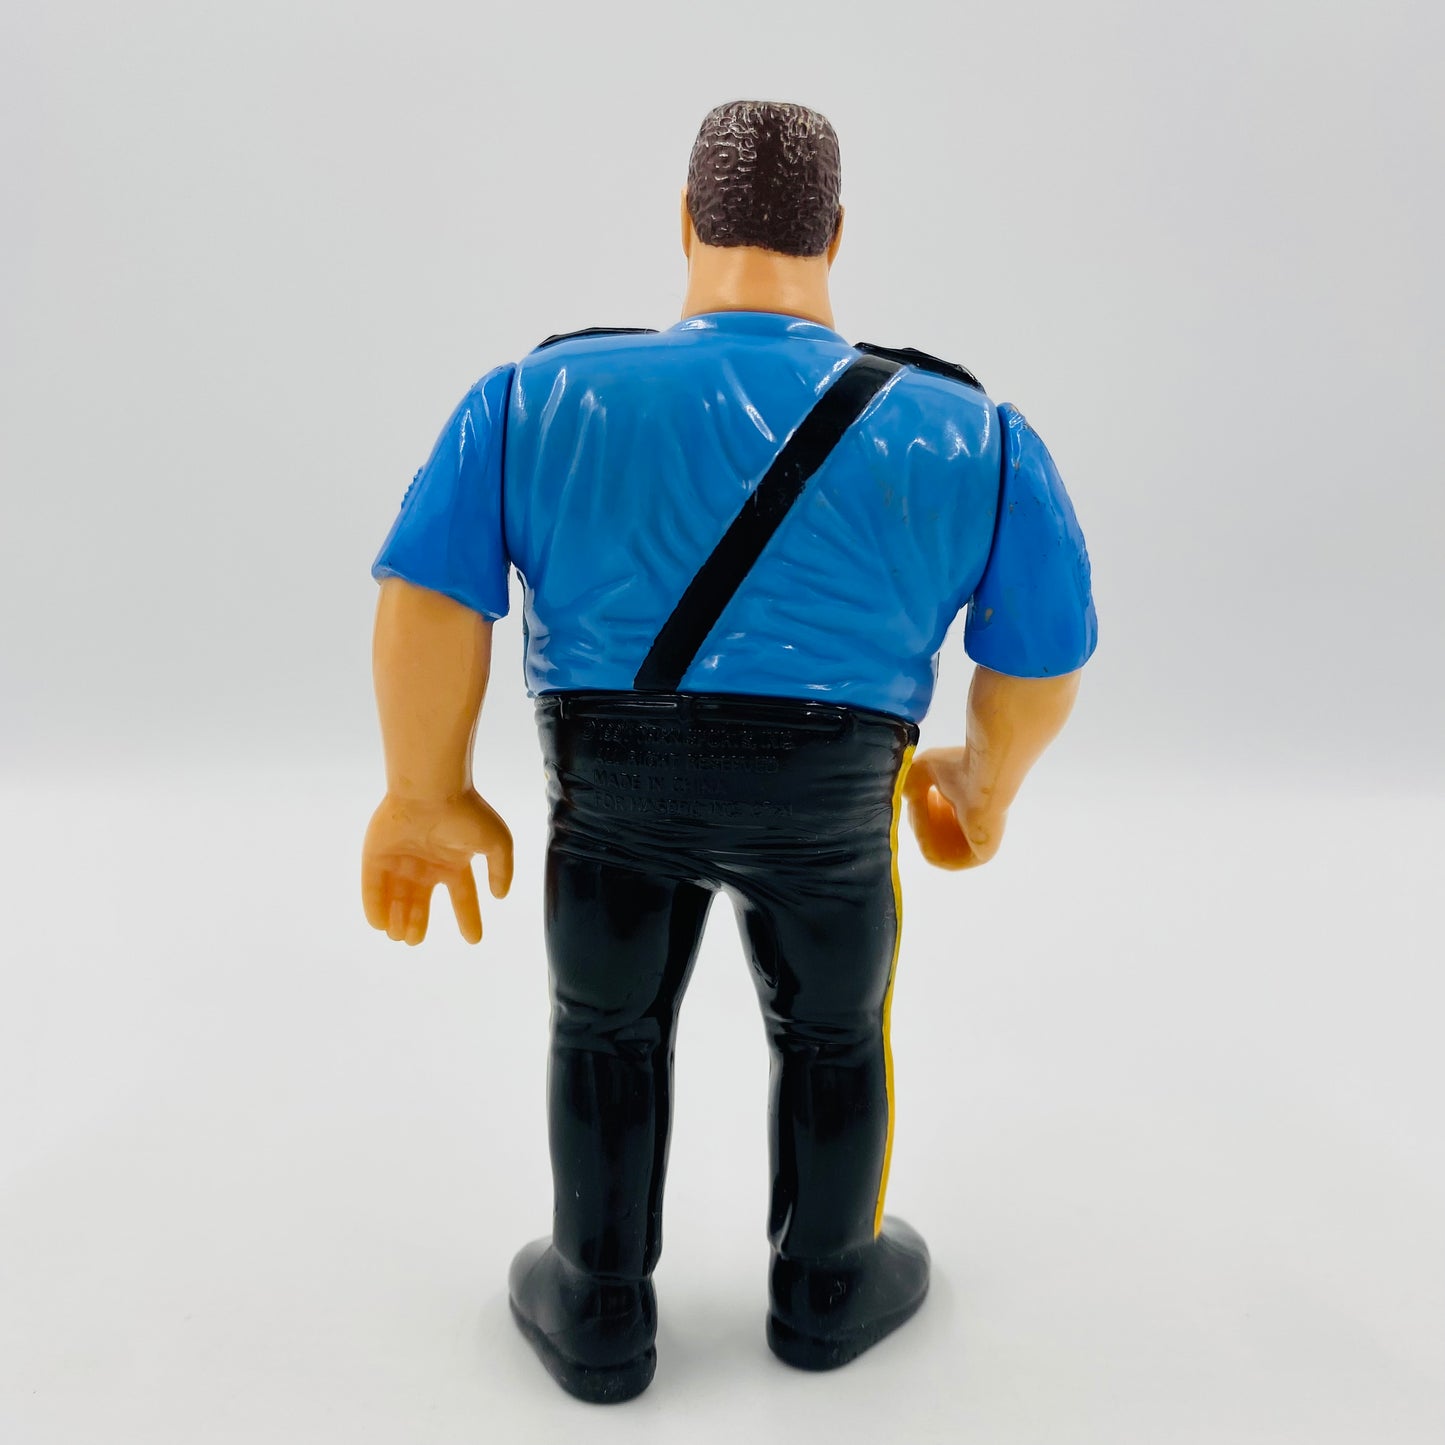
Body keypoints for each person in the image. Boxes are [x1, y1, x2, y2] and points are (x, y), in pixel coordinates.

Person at [362, 99, 1097, 1404]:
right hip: (830, 796)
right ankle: (829, 1281)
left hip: (613, 784)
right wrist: (984, 778)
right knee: (834, 1033)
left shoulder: (537, 397)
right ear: (836, 233)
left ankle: (597, 1303)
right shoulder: (967, 430)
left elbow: (430, 594)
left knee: (602, 1029)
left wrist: (425, 789)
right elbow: (1041, 653)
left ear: (687, 221)